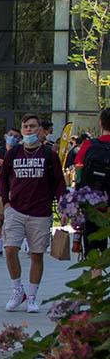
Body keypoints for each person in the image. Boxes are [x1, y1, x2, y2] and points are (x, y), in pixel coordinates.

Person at [0, 114, 67, 314]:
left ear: (39, 130)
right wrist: (6, 203)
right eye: (25, 126)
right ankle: (17, 290)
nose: (29, 130)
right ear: (21, 130)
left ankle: (31, 296)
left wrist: (63, 207)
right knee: (10, 249)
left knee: (36, 254)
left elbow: (59, 183)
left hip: (40, 211)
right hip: (16, 210)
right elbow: (3, 179)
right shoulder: (14, 153)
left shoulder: (49, 154)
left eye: (32, 126)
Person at [74, 110, 110, 266]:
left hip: (95, 206)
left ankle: (95, 285)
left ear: (100, 123)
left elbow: (79, 175)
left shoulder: (89, 145)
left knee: (94, 253)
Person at [0, 129, 23, 258]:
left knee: (21, 218)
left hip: (18, 188)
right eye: (10, 135)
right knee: (0, 217)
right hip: (3, 188)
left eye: (16, 136)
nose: (12, 138)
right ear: (5, 136)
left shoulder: (21, 151)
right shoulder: (0, 151)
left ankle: (25, 243)